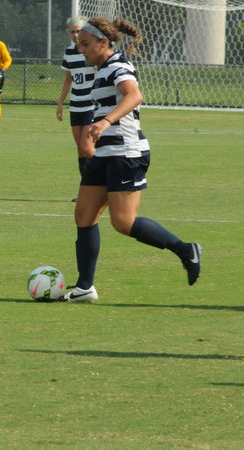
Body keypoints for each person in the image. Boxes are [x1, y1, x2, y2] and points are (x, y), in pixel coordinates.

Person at [63, 17, 202, 303]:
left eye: (86, 44)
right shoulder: (101, 70)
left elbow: (134, 95)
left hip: (126, 154)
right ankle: (85, 287)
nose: (81, 50)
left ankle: (186, 250)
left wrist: (105, 122)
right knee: (84, 215)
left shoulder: (118, 66)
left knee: (123, 222)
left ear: (103, 42)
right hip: (105, 154)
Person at [57, 17, 97, 200]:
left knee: (86, 147)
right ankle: (86, 191)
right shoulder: (69, 53)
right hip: (75, 105)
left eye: (79, 31)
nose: (75, 34)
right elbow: (68, 80)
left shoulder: (92, 51)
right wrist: (60, 102)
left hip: (91, 105)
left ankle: (103, 182)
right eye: (72, 31)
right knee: (80, 150)